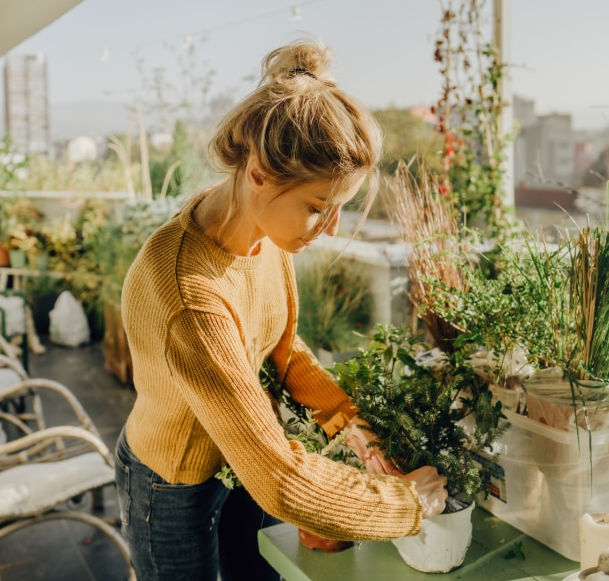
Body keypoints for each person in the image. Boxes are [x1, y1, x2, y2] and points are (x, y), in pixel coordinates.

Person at [114, 40, 449, 581]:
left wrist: (349, 424)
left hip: (240, 456)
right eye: (319, 207)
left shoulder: (265, 235)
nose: (332, 228)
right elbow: (279, 479)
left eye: (338, 208)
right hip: (172, 480)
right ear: (260, 175)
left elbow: (285, 349)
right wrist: (405, 505)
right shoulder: (188, 288)